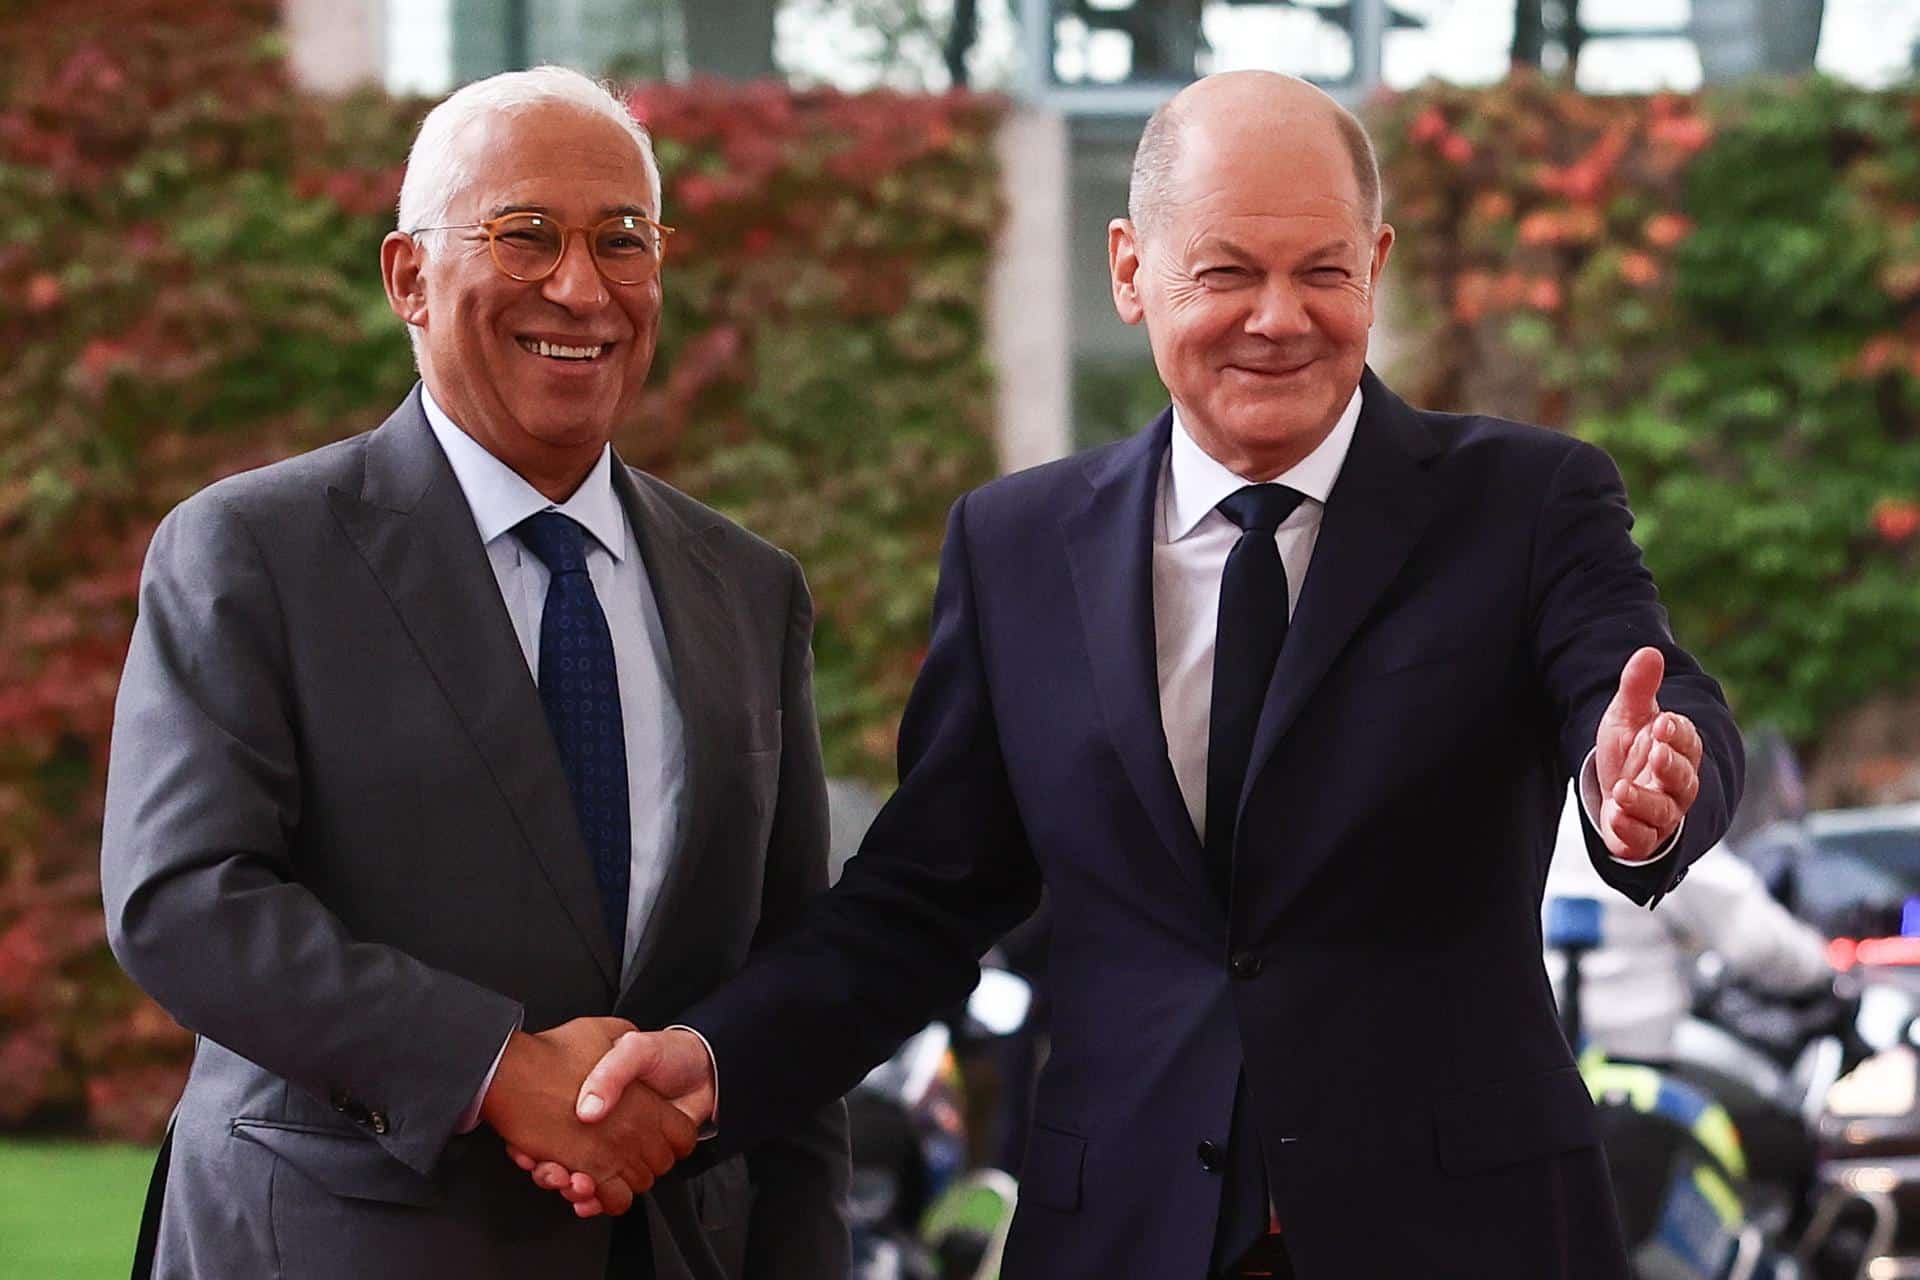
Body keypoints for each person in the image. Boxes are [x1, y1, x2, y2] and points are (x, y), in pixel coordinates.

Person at [541, 71, 1745, 1278]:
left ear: (1375, 266)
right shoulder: (1016, 546)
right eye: (1226, 272)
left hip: (1463, 1234)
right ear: (1130, 270)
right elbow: (920, 899)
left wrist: (1646, 792)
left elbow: (1650, 697)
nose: (1279, 317)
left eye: (1322, 270)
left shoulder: (1526, 502)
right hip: (1119, 1229)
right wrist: (714, 1058)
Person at [99, 66, 847, 1280]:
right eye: (525, 236)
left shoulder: (750, 589)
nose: (580, 285)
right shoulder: (253, 550)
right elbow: (182, 896)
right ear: (408, 276)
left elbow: (792, 976)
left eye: (623, 240)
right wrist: (494, 1066)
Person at [1544, 789, 1831, 1061]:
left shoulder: (1536, 809)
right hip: (1639, 1059)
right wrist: (1822, 965)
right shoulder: (1643, 800)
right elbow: (1756, 941)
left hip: (1550, 1057)